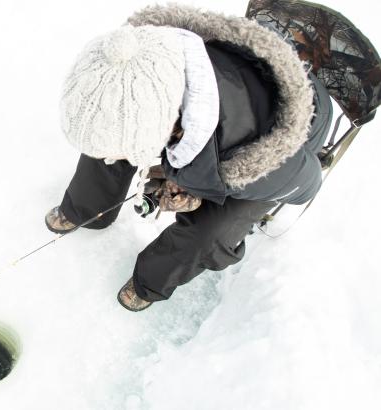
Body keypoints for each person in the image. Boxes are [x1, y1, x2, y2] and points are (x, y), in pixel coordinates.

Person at [45, 4, 333, 311]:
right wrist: (175, 170)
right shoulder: (150, 58)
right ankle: (84, 209)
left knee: (212, 234)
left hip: (276, 148)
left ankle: (150, 281)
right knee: (109, 136)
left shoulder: (261, 161)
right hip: (218, 101)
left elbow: (308, 182)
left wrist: (198, 189)